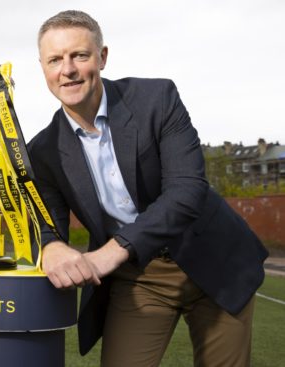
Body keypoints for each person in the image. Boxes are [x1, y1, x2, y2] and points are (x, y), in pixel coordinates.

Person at [28, 10, 268, 367]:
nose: (68, 69)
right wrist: (52, 248)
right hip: (140, 278)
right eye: (55, 60)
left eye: (79, 55)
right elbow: (46, 225)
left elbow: (187, 190)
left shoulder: (157, 98)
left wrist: (112, 251)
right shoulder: (42, 151)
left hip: (212, 255)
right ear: (43, 68)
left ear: (102, 57)